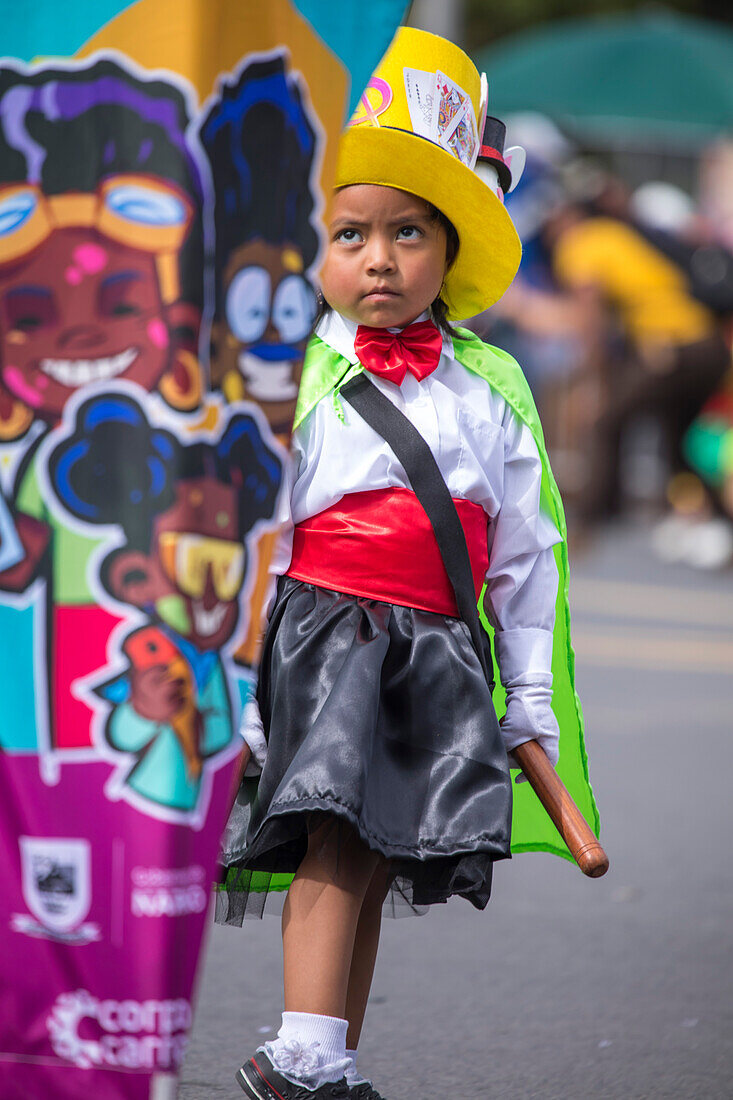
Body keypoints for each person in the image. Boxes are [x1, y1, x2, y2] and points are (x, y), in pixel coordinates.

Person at [217, 28, 592, 1100]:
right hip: (325, 625)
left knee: (377, 851)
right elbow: (256, 527)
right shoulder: (289, 375)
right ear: (313, 249)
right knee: (334, 829)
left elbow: (526, 554)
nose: (378, 258)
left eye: (408, 232)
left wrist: (525, 695)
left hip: (435, 640)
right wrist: (241, 676)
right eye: (350, 232)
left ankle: (328, 1055)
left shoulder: (490, 387)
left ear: (451, 248)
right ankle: (295, 1055)